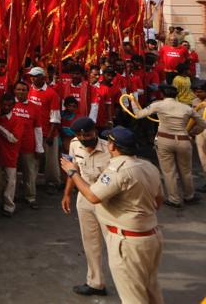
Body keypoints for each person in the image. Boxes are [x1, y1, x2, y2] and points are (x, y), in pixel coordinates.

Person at [60, 127, 164, 304]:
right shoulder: (148, 165)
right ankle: (94, 281)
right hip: (151, 235)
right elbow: (158, 200)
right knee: (150, 289)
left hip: (128, 241)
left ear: (113, 146)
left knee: (133, 296)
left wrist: (72, 172)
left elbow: (93, 196)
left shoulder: (119, 169)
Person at [130, 85, 206, 207]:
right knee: (186, 171)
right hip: (183, 140)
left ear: (162, 95)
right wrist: (192, 133)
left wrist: (133, 102)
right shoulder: (185, 107)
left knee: (169, 171)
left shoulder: (158, 104)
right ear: (176, 95)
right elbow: (202, 124)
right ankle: (189, 195)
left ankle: (174, 199)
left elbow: (138, 115)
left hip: (164, 140)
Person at [61, 117, 112, 297]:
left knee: (114, 245)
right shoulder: (75, 144)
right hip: (84, 199)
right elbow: (72, 169)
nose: (84, 139)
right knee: (90, 242)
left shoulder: (109, 149)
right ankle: (96, 283)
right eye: (80, 136)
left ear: (95, 132)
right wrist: (67, 194)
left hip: (108, 202)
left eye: (88, 135)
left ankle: (129, 285)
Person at [26, 66, 62, 192]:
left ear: (43, 78)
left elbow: (55, 117)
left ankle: (52, 183)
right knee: (34, 159)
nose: (32, 78)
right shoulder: (29, 90)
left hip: (48, 132)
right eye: (31, 76)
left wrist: (51, 135)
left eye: (35, 76)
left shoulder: (51, 94)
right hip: (33, 132)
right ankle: (31, 183)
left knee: (50, 161)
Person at [12, 81, 43, 209]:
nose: (21, 92)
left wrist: (39, 147)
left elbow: (38, 129)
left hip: (28, 145)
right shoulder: (8, 104)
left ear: (28, 91)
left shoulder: (34, 107)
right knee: (11, 174)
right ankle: (10, 197)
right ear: (14, 91)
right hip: (11, 146)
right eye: (18, 89)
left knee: (29, 173)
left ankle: (30, 197)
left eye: (24, 90)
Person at [0, 93, 26, 217]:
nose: (6, 107)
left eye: (9, 105)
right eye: (4, 104)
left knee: (10, 182)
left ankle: (9, 206)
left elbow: (14, 138)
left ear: (14, 105)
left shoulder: (17, 120)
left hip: (10, 155)